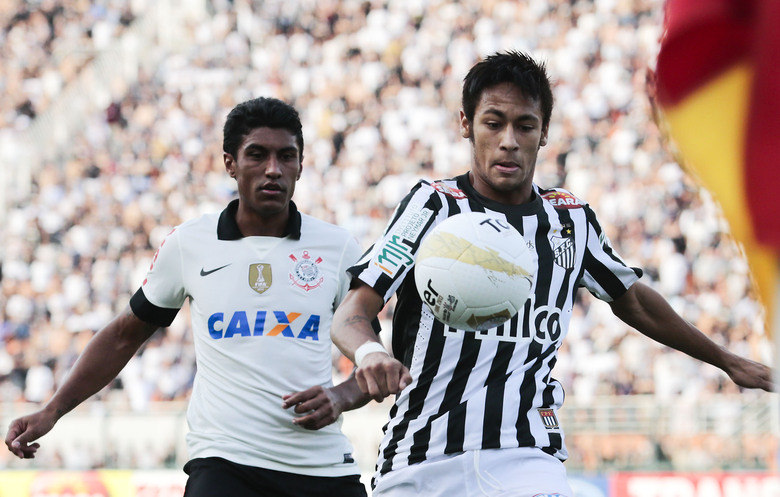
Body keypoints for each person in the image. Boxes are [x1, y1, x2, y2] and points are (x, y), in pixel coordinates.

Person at [329, 51, 775, 497]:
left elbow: (633, 300)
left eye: (524, 126)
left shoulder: (570, 219)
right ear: (465, 124)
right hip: (420, 459)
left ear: (544, 133)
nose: (509, 140)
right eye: (493, 122)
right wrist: (370, 354)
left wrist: (728, 361)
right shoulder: (431, 206)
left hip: (525, 458)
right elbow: (353, 310)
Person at [5, 97, 371, 497]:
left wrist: (342, 395)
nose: (273, 169)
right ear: (230, 163)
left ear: (301, 165)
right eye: (257, 155)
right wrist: (52, 410)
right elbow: (125, 335)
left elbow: (378, 351)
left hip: (321, 468)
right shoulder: (189, 244)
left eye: (286, 156)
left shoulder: (338, 249)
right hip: (226, 465)